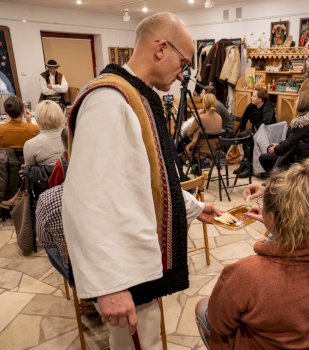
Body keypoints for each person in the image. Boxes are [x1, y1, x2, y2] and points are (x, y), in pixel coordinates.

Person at [62, 12, 222, 349]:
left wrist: (193, 206)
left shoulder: (133, 94)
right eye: (184, 62)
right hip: (124, 276)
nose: (183, 75)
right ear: (161, 48)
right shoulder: (109, 101)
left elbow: (149, 177)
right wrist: (109, 284)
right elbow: (87, 201)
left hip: (136, 268)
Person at [196, 159, 309, 349]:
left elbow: (219, 322)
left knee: (202, 308)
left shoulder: (247, 273)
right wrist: (278, 228)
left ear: (274, 217)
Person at [258, 89, 309, 173]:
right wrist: (279, 144)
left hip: (299, 156)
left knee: (264, 158)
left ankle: (278, 180)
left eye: (297, 99)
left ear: (303, 102)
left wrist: (277, 148)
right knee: (270, 149)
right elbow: (292, 139)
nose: (296, 102)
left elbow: (291, 141)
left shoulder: (305, 122)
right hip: (301, 152)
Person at [36, 128, 69, 278]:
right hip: (127, 272)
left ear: (66, 155)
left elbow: (46, 242)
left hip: (79, 272)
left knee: (50, 245)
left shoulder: (49, 200)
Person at [235, 87, 276, 178]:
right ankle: (244, 164)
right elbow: (243, 120)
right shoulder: (252, 106)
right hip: (256, 130)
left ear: (260, 99)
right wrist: (242, 130)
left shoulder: (268, 106)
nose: (251, 98)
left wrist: (256, 129)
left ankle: (250, 168)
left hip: (266, 134)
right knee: (242, 136)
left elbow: (267, 121)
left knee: (250, 139)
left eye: (253, 96)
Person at [23, 100, 65, 166]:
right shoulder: (72, 137)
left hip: (48, 176)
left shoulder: (30, 144)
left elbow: (29, 172)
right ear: (61, 114)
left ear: (37, 117)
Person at [186, 92, 223, 158]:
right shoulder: (219, 117)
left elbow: (189, 133)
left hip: (200, 151)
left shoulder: (200, 118)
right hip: (213, 151)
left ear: (204, 103)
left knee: (185, 146)